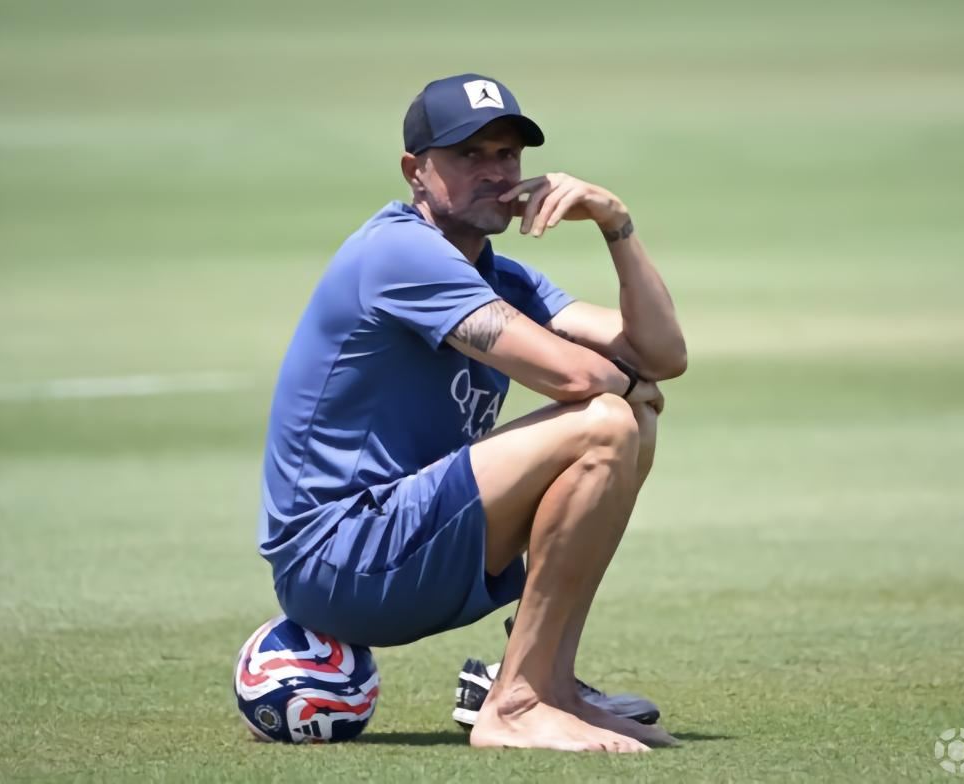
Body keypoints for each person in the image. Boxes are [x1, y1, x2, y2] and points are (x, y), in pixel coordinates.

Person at [258, 73, 687, 753]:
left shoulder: (503, 277)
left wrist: (616, 223)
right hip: (339, 558)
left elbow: (664, 354)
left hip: (409, 540)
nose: (496, 173)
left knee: (632, 418)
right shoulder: (399, 252)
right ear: (415, 171)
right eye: (469, 155)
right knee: (606, 422)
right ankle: (514, 704)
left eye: (507, 154)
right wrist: (629, 386)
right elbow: (577, 377)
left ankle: (548, 685)